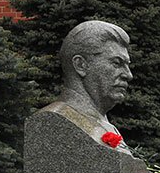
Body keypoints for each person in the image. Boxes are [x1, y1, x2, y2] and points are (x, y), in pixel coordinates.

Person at [42, 20, 133, 154]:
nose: (128, 75)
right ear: (81, 65)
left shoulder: (108, 126)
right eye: (117, 63)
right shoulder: (55, 120)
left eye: (127, 65)